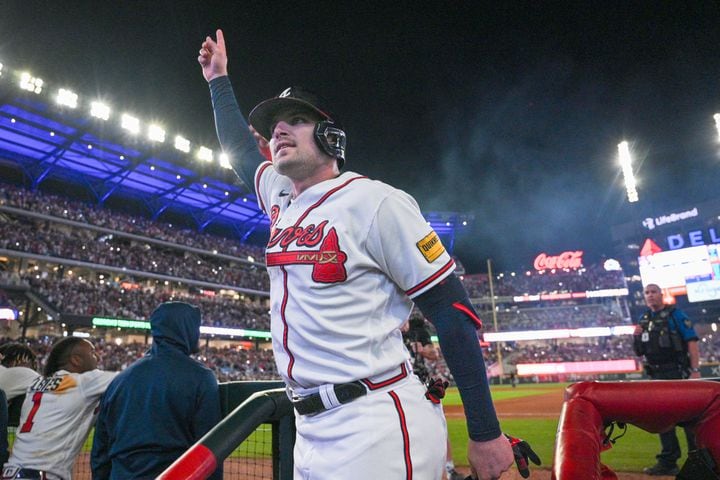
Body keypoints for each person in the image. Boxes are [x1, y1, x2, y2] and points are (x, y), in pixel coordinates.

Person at [198, 29, 516, 480]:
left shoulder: (376, 201)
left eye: (295, 119)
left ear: (331, 137)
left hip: (375, 421)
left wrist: (485, 432)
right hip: (309, 427)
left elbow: (451, 310)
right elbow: (238, 151)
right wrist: (218, 80)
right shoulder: (282, 199)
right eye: (274, 124)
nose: (279, 129)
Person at [90, 302, 222, 480]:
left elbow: (100, 450)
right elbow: (209, 448)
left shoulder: (120, 380)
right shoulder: (201, 377)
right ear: (185, 329)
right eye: (196, 327)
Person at [2, 337, 116, 480]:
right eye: (92, 353)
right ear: (76, 360)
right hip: (41, 474)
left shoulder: (36, 384)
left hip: (12, 473)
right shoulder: (82, 382)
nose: (97, 357)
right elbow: (129, 378)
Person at [633, 283, 700, 476]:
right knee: (663, 419)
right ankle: (668, 461)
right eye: (647, 293)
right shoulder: (643, 319)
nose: (650, 295)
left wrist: (695, 370)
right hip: (656, 375)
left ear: (661, 295)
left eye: (654, 292)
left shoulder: (675, 315)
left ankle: (697, 459)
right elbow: (639, 351)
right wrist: (635, 336)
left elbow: (692, 342)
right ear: (644, 297)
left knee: (688, 418)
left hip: (677, 373)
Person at [402, 315, 463, 480]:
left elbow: (434, 354)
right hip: (397, 386)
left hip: (422, 382)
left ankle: (449, 470)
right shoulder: (386, 327)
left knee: (439, 425)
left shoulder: (418, 329)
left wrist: (424, 350)